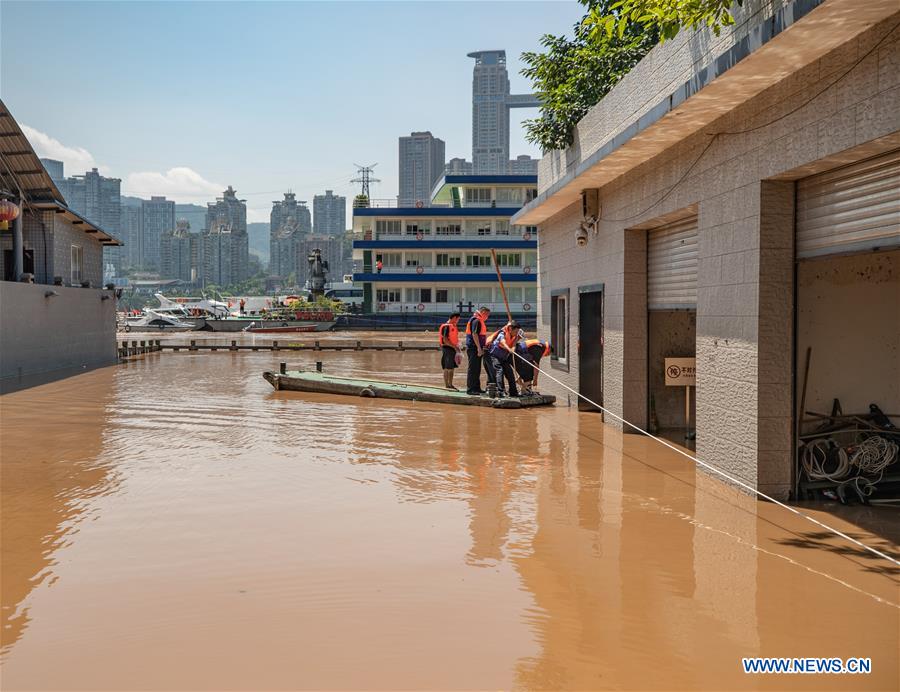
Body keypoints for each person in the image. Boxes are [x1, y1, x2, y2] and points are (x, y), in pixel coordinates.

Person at [486, 321, 522, 397]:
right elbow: (503, 342)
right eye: (516, 331)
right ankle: (501, 391)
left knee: (510, 373)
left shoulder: (515, 335)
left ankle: (513, 392)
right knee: (500, 371)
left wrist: (513, 348)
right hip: (495, 356)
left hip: (504, 357)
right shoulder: (502, 333)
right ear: (511, 329)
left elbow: (514, 344)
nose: (516, 333)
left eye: (517, 331)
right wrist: (509, 349)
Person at [464, 306, 491, 395]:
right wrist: (479, 348)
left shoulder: (479, 320)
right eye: (486, 314)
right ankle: (471, 389)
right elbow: (474, 334)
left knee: (477, 368)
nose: (487, 317)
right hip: (473, 348)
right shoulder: (476, 320)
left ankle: (477, 388)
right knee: (473, 368)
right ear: (482, 312)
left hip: (477, 348)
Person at [438, 312, 462, 390]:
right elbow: (445, 340)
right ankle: (447, 385)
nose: (458, 321)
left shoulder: (452, 326)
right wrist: (454, 347)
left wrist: (456, 346)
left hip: (451, 348)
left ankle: (450, 384)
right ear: (454, 318)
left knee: (451, 367)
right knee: (448, 367)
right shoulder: (447, 327)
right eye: (458, 319)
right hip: (448, 348)